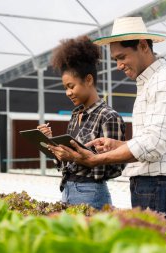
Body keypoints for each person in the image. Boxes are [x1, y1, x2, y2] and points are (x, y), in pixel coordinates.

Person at [49, 17, 166, 226]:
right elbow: (151, 142)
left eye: (122, 56)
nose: (118, 65)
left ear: (143, 46)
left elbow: (153, 145)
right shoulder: (149, 84)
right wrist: (119, 145)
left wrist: (95, 159)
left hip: (161, 188)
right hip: (149, 187)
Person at [37, 35, 126, 210]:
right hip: (67, 189)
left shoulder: (108, 116)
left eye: (71, 86)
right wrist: (52, 144)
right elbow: (67, 164)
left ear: (88, 80)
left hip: (91, 192)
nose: (68, 93)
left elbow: (116, 167)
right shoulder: (75, 115)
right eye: (65, 88)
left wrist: (81, 158)